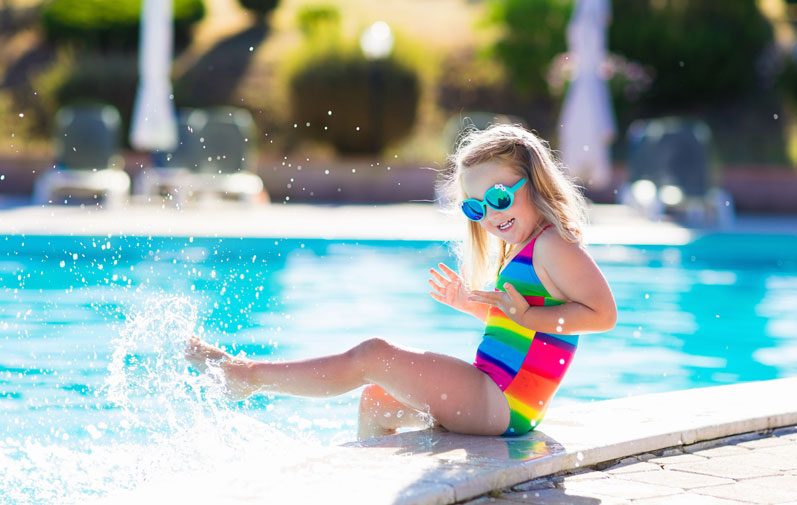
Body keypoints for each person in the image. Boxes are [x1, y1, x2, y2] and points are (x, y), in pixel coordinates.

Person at [186, 124, 617, 440]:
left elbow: (602, 315)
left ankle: (247, 376)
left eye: (499, 198)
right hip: (494, 393)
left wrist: (529, 314)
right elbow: (520, 326)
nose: (490, 215)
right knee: (376, 400)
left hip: (502, 403)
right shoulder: (528, 247)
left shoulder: (553, 245)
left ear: (534, 182)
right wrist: (472, 303)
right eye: (475, 209)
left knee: (375, 354)